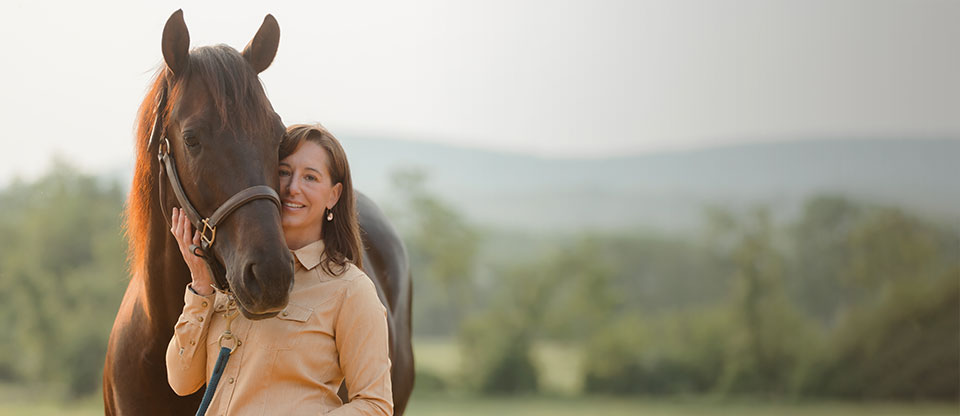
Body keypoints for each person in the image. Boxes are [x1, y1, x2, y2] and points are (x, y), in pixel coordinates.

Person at [165, 124, 393, 416]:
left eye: (310, 177)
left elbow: (376, 406)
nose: (293, 187)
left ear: (333, 195)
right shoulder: (235, 277)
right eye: (284, 172)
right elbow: (181, 382)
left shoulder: (350, 290)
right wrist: (200, 284)